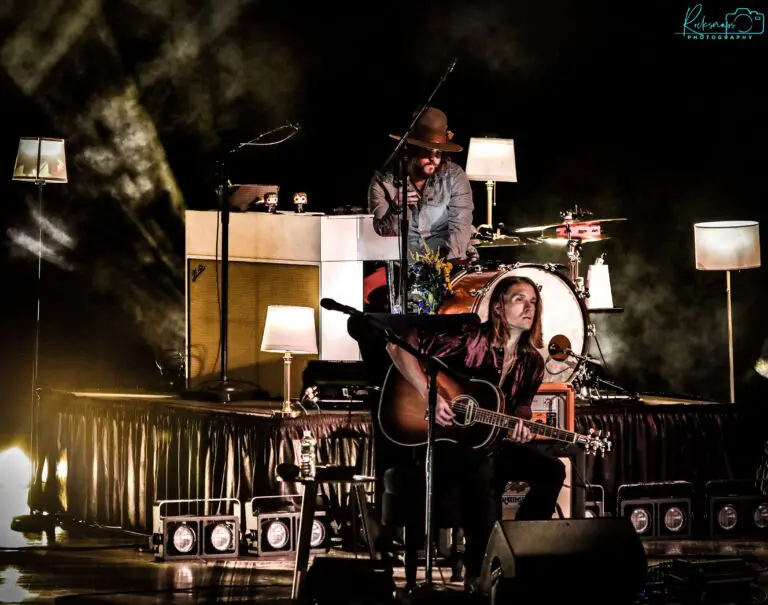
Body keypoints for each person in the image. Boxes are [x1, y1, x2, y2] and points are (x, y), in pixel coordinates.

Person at [385, 275, 566, 592]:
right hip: (443, 442)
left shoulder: (533, 362)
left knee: (552, 470)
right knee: (483, 467)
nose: (529, 307)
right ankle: (477, 574)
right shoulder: (469, 339)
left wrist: (519, 427)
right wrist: (430, 394)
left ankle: (519, 552)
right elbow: (398, 345)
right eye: (519, 299)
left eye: (533, 302)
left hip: (490, 444)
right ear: (498, 306)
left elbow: (520, 411)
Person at [365, 107, 475, 310]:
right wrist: (396, 209)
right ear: (410, 150)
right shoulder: (383, 183)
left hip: (445, 262)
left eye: (439, 153)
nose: (434, 159)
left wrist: (449, 265)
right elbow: (381, 235)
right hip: (400, 267)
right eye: (427, 152)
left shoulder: (455, 177)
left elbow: (461, 223)